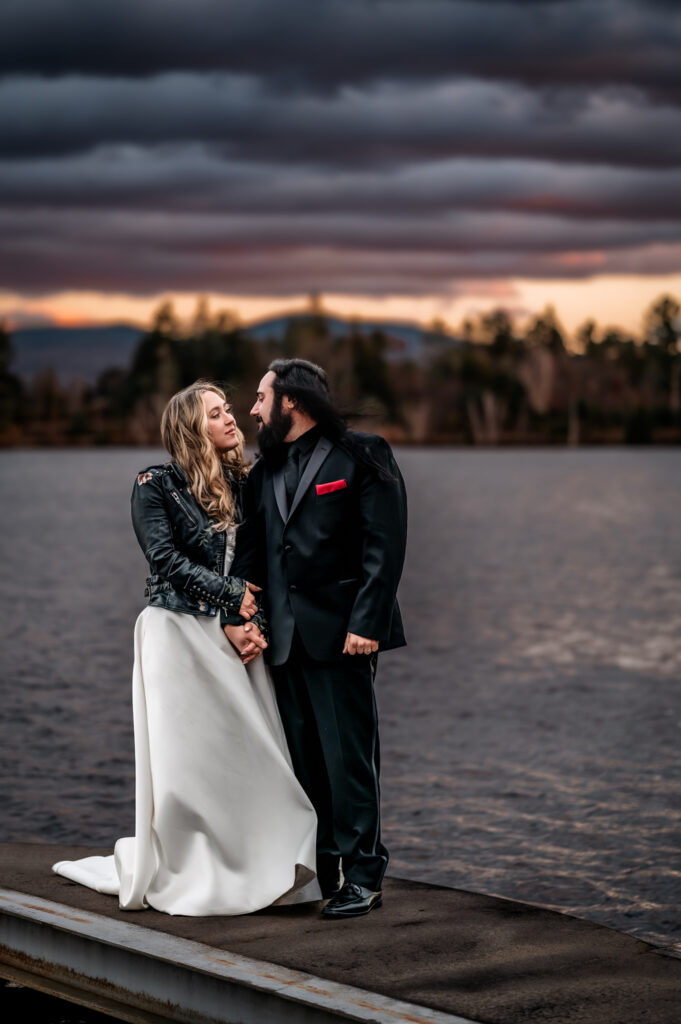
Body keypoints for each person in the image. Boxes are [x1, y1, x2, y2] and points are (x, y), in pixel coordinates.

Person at [53, 381, 319, 915]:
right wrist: (234, 598)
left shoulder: (245, 481)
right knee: (188, 764)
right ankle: (189, 868)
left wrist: (246, 620)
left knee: (253, 755)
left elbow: (258, 565)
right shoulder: (153, 484)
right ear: (190, 428)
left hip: (230, 634)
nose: (230, 420)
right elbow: (164, 560)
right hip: (173, 633)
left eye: (228, 410)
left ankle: (263, 865)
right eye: (215, 414)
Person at [225, 359, 407, 918]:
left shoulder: (363, 452)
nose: (252, 409)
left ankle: (364, 877)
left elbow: (386, 544)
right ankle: (321, 872)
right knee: (304, 763)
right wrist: (243, 618)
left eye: (261, 397)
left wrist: (366, 624)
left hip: (343, 635)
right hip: (282, 642)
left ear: (292, 402)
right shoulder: (263, 472)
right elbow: (254, 556)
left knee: (348, 760)